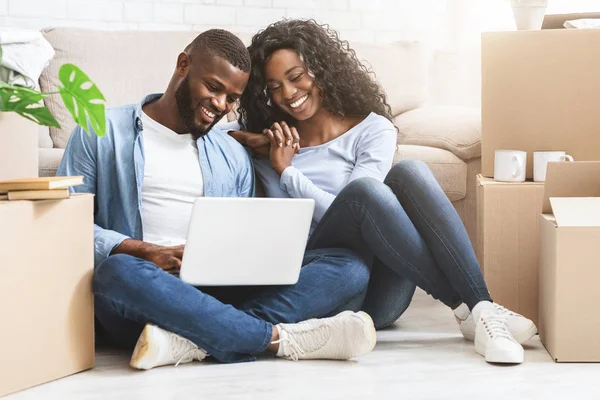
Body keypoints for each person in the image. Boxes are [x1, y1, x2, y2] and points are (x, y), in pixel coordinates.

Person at [57, 29, 378, 370]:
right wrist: (144, 251)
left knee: (348, 265)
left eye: (232, 98)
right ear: (183, 65)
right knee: (114, 272)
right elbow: (63, 225)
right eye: (213, 88)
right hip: (147, 291)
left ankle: (191, 341)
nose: (221, 106)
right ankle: (277, 339)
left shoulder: (232, 153)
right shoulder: (100, 130)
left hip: (216, 289)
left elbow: (246, 234)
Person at [231, 19, 537, 365]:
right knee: (365, 195)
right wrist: (258, 143)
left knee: (407, 173)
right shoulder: (273, 141)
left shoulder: (372, 129)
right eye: (274, 86)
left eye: (296, 76)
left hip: (382, 292)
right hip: (328, 281)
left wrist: (288, 173)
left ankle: (478, 307)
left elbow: (358, 207)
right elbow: (210, 130)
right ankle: (475, 308)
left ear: (319, 69)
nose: (287, 93)